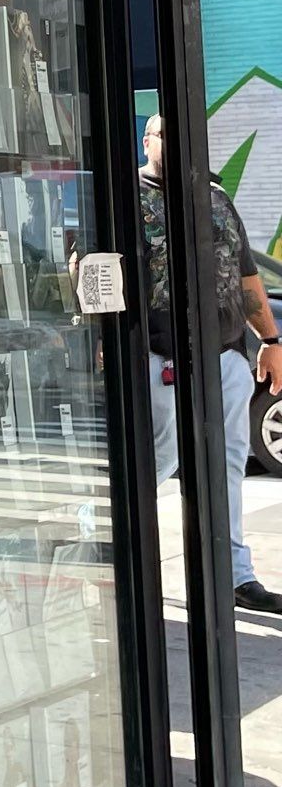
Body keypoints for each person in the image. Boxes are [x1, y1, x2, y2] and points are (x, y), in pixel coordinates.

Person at [139, 117, 282, 612]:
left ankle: (237, 576)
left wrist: (271, 339)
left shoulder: (218, 199)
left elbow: (247, 277)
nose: (177, 145)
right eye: (165, 135)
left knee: (228, 465)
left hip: (226, 356)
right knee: (161, 459)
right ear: (147, 142)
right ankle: (116, 551)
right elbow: (92, 272)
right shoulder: (127, 198)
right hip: (162, 359)